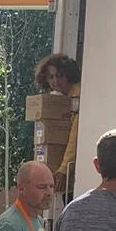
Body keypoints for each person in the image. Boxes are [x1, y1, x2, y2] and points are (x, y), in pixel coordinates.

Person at [35, 53, 82, 194]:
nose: (55, 81)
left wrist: (63, 168)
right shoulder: (60, 98)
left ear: (69, 74)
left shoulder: (77, 96)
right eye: (51, 77)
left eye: (60, 75)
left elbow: (75, 135)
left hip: (74, 167)